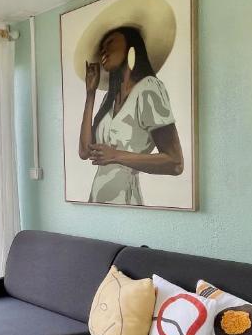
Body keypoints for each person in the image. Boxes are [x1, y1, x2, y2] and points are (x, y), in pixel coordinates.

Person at [77, 26, 184, 205]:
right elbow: (84, 151)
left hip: (125, 201)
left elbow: (175, 162)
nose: (103, 50)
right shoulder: (108, 100)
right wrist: (90, 94)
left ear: (131, 46)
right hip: (97, 199)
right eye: (101, 47)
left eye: (110, 43)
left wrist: (116, 155)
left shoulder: (149, 88)